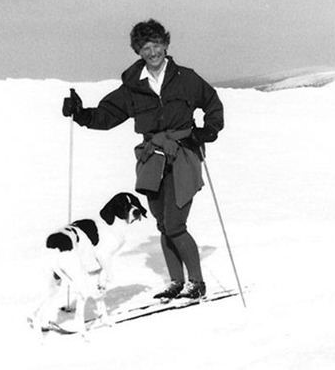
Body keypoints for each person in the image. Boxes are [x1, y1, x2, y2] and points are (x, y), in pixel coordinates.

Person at [61, 19, 224, 300]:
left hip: (183, 154)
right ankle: (177, 282)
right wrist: (81, 114)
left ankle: (196, 283)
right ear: (138, 51)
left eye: (156, 45)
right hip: (152, 159)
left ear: (166, 45)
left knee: (175, 224)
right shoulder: (133, 86)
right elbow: (107, 115)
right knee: (163, 225)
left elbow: (212, 103)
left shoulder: (186, 78)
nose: (152, 52)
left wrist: (208, 130)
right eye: (145, 47)